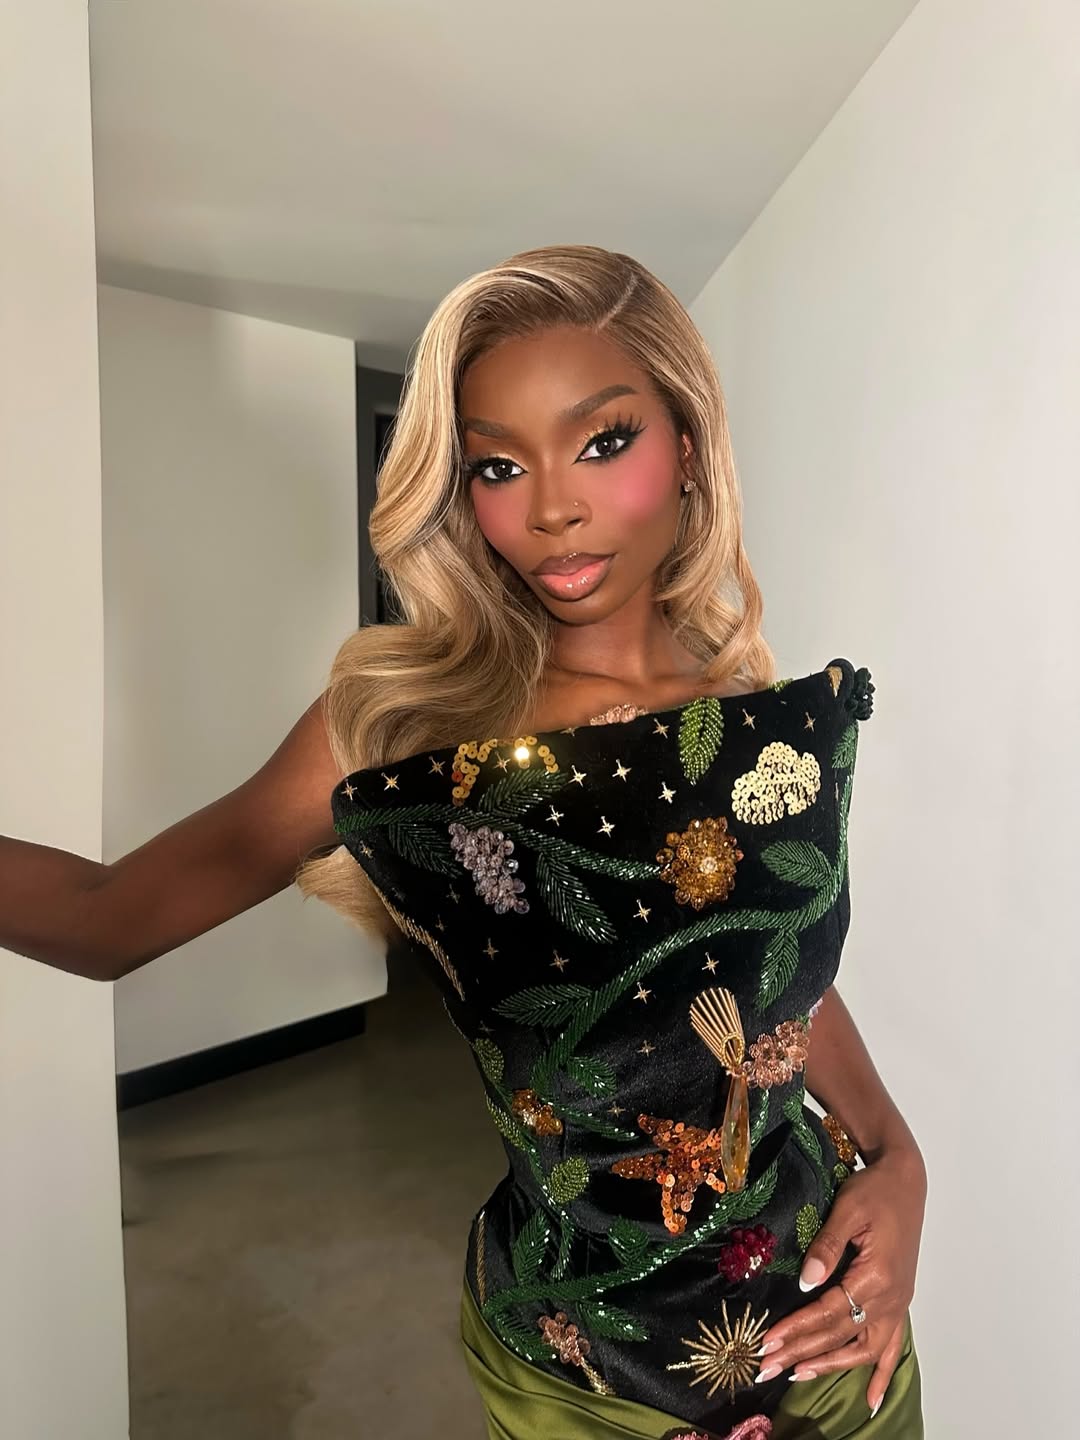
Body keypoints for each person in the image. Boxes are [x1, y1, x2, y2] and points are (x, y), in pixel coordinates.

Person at [2, 245, 925, 1440]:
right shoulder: (407, 734)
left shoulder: (759, 719)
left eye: (604, 441)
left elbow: (767, 980)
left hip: (845, 1358)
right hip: (581, 1391)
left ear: (689, 446)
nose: (551, 508)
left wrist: (897, 1160)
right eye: (498, 465)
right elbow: (99, 920)